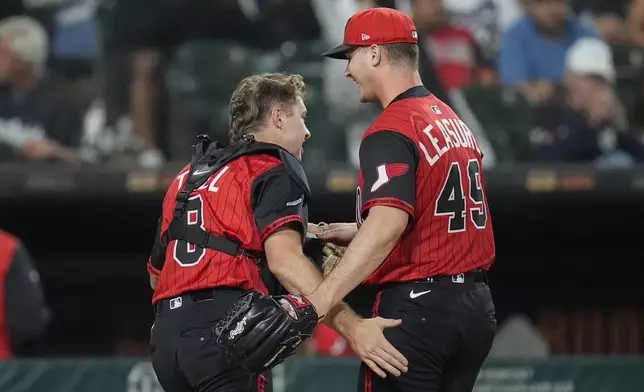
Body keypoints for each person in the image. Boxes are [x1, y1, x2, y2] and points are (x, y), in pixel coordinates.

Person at [146, 72, 408, 392]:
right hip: (223, 333)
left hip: (166, 341)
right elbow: (284, 263)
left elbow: (157, 275)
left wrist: (310, 234)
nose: (308, 132)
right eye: (302, 117)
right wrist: (353, 328)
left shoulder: (187, 177)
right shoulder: (272, 165)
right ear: (279, 117)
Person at [302, 7, 497, 392]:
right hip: (474, 307)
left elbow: (388, 227)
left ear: (374, 53)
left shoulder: (391, 128)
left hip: (419, 310)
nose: (346, 70)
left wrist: (320, 301)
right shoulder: (450, 118)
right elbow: (436, 214)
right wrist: (360, 230)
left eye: (351, 55)